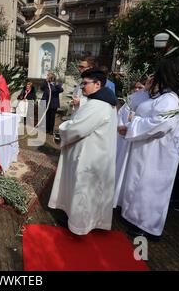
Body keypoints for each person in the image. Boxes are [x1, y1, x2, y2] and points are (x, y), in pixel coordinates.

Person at [119, 58, 179, 240]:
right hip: (147, 147)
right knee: (139, 184)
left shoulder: (171, 99)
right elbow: (134, 103)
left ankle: (148, 226)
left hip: (158, 152)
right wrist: (146, 90)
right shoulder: (163, 95)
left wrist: (134, 122)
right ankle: (135, 217)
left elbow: (160, 125)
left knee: (151, 186)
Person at [48, 69, 118, 235]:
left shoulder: (98, 105)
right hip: (92, 153)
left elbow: (77, 128)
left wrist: (61, 129)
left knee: (84, 190)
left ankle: (79, 225)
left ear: (98, 84)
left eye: (85, 83)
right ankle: (81, 220)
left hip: (90, 156)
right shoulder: (99, 101)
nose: (83, 86)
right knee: (86, 190)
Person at [113, 81, 150, 208]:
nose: (137, 89)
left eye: (140, 87)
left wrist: (129, 127)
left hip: (132, 138)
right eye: (135, 86)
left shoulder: (148, 102)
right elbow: (120, 114)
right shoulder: (130, 99)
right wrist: (120, 126)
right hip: (120, 137)